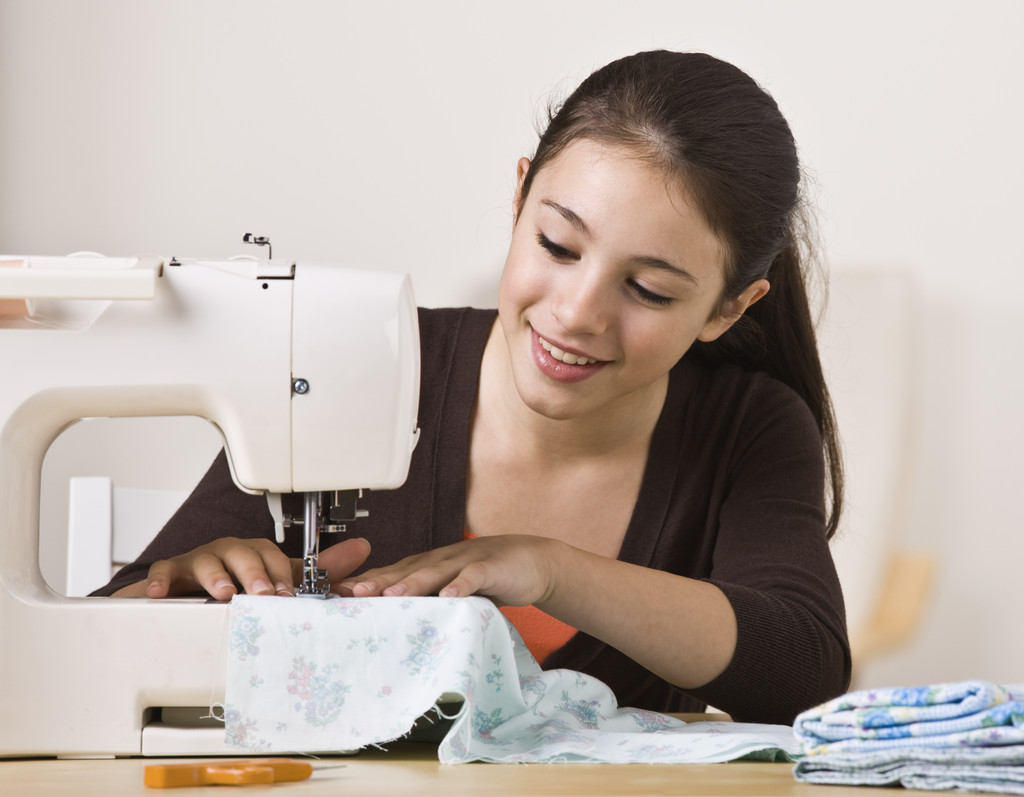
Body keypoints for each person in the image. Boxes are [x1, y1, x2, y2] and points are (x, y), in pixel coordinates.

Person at [96, 50, 850, 725]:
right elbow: (98, 640)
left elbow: (803, 668)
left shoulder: (748, 426)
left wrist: (550, 568)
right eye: (557, 245)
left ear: (728, 307)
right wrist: (189, 586)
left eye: (648, 290)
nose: (576, 312)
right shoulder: (364, 365)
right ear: (520, 199)